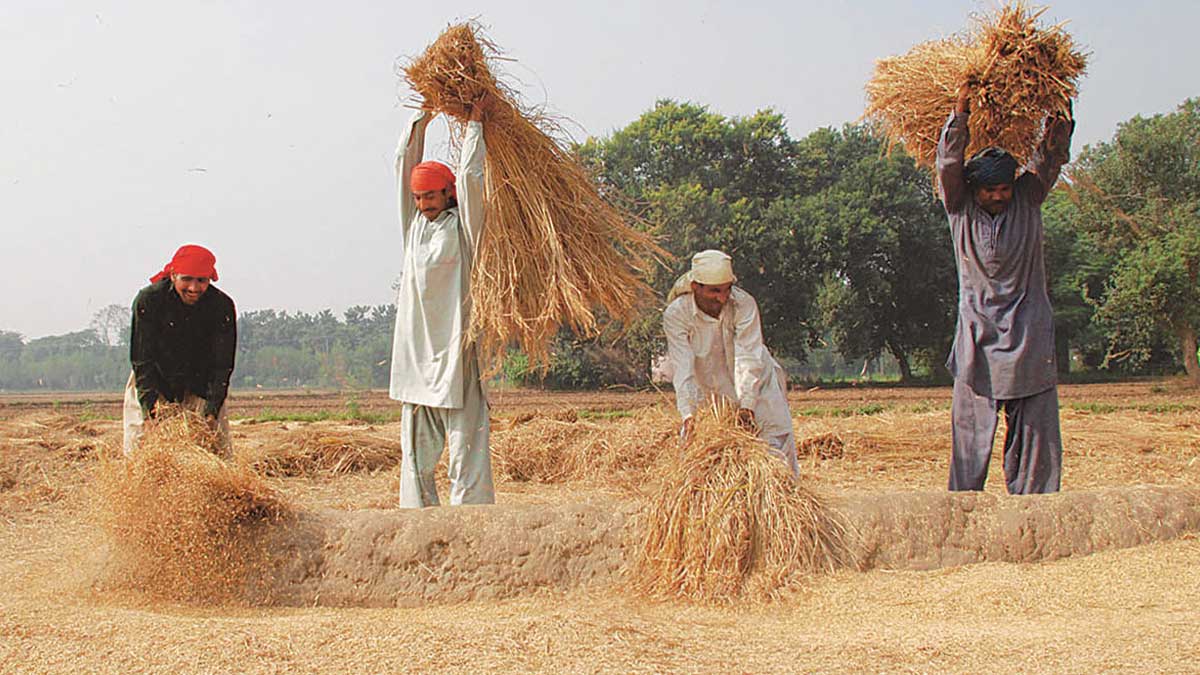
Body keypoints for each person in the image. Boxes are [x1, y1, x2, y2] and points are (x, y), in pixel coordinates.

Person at [936, 83, 1075, 494]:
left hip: (1028, 332)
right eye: (990, 190)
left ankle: (1035, 509)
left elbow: (1050, 161)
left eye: (1004, 189)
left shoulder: (1028, 200)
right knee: (970, 433)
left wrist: (1061, 118)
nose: (998, 196)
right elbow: (948, 162)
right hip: (977, 336)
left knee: (1036, 430)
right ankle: (965, 509)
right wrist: (960, 110)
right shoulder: (958, 207)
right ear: (973, 189)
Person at [389, 96, 494, 508]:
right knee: (415, 454)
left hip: (457, 351)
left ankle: (470, 519)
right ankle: (418, 519)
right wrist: (423, 117)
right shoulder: (413, 227)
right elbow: (403, 164)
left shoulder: (466, 229)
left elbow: (471, 177)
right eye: (418, 198)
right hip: (416, 355)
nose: (423, 204)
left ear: (448, 193)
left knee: (467, 445)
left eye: (431, 196)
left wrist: (474, 125)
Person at [663, 249, 798, 475]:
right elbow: (682, 366)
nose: (723, 297)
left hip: (758, 385)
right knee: (705, 460)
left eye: (727, 289)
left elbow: (748, 356)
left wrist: (747, 406)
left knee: (775, 449)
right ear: (696, 287)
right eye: (715, 291)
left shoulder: (744, 304)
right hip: (711, 392)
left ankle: (782, 505)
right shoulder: (677, 314)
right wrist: (688, 414)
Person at [123, 244, 236, 457]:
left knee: (215, 449)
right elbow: (141, 359)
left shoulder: (221, 306)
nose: (193, 288)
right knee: (141, 447)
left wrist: (211, 411)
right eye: (187, 279)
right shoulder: (149, 300)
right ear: (173, 275)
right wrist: (150, 412)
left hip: (201, 379)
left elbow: (222, 364)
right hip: (154, 378)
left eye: (201, 281)